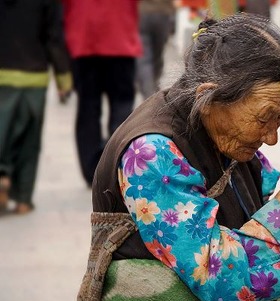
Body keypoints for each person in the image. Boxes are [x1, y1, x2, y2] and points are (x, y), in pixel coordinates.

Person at [75, 14, 280, 301]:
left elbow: (269, 209)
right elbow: (220, 279)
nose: (271, 137)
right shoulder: (152, 153)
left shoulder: (228, 137)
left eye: (279, 118)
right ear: (208, 96)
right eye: (263, 118)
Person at [0, 0, 72, 214]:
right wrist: (63, 78)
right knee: (29, 141)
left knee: (2, 132)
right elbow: (53, 37)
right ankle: (23, 200)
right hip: (34, 76)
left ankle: (2, 175)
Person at [62, 0, 142, 186]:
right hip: (120, 37)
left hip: (83, 38)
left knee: (88, 107)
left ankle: (92, 170)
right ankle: (118, 163)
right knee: (122, 104)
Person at [136, 0, 176, 99]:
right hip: (162, 13)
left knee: (144, 59)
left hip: (142, 13)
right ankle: (152, 90)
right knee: (157, 56)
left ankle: (148, 93)